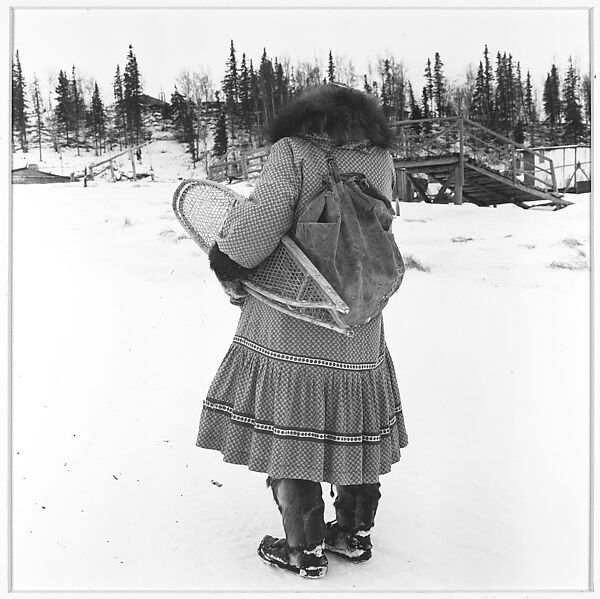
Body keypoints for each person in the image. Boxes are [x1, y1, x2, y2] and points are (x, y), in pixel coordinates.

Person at [196, 84, 408, 579]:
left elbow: (256, 231)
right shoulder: (379, 160)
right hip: (358, 317)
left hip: (295, 318)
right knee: (352, 420)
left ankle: (303, 549)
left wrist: (223, 259)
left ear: (304, 118)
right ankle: (353, 534)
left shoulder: (293, 153)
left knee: (295, 425)